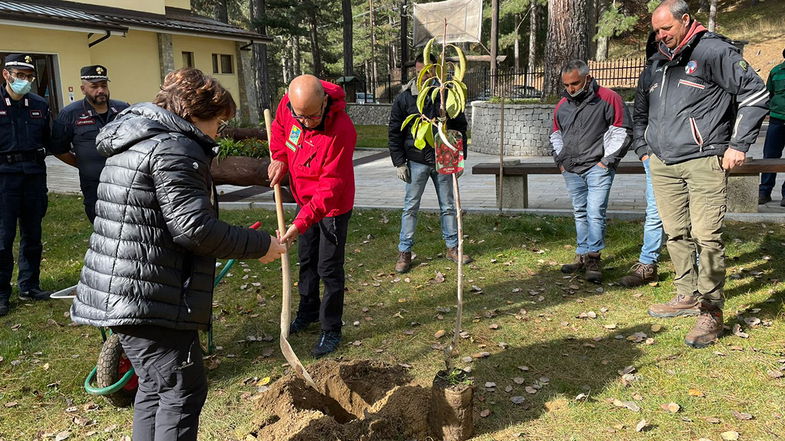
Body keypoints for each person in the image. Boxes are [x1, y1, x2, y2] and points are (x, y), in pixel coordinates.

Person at [70, 68, 286, 441]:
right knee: (181, 392)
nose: (219, 131)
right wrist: (262, 246)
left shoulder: (139, 139)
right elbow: (194, 229)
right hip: (150, 296)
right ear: (195, 113)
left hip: (131, 291)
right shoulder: (173, 146)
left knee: (155, 389)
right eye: (218, 121)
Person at [641, 0, 768, 348]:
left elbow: (756, 93)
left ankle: (711, 310)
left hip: (704, 159)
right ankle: (686, 295)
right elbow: (641, 109)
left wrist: (738, 144)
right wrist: (645, 148)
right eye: (656, 30)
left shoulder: (713, 51)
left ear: (686, 20)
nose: (661, 35)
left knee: (706, 236)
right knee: (675, 233)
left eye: (666, 28)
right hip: (663, 163)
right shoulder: (657, 62)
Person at [268, 74, 356, 357]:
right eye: (300, 117)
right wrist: (280, 158)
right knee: (306, 260)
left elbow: (330, 188)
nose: (305, 122)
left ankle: (331, 328)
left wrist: (302, 221)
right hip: (302, 199)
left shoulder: (341, 131)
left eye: (312, 117)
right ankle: (307, 311)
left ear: (325, 102)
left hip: (331, 207)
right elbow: (280, 130)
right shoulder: (290, 106)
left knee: (328, 267)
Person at [388, 55, 472, 274]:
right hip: (416, 161)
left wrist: (459, 158)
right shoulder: (406, 98)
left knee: (448, 206)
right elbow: (394, 131)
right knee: (410, 207)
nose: (423, 75)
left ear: (437, 71)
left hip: (443, 160)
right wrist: (399, 162)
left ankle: (453, 247)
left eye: (428, 71)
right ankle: (404, 251)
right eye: (419, 71)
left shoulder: (447, 95)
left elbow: (460, 126)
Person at [551, 59, 632, 283]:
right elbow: (555, 135)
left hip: (598, 167)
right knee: (580, 211)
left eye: (575, 83)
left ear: (587, 78)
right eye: (566, 85)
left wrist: (607, 161)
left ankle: (594, 257)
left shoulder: (609, 98)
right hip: (572, 169)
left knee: (595, 212)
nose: (570, 89)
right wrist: (561, 162)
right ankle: (582, 254)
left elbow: (623, 131)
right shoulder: (562, 105)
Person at [0, 54, 54, 316]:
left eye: (29, 76)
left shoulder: (40, 105)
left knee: (32, 235)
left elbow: (46, 139)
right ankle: (1, 294)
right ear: (6, 75)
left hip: (33, 175)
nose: (25, 80)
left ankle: (29, 285)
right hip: (4, 178)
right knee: (3, 238)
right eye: (19, 75)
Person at [50, 65, 129, 222]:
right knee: (100, 223)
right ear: (83, 88)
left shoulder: (123, 109)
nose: (100, 90)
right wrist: (83, 164)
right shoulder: (70, 114)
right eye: (94, 86)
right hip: (94, 184)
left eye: (104, 86)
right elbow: (58, 149)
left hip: (124, 181)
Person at [618, 32, 665, 288]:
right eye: (657, 44)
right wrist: (643, 151)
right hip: (655, 157)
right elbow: (639, 117)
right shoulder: (649, 74)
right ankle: (648, 264)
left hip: (692, 156)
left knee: (694, 216)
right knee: (655, 212)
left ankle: (700, 268)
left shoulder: (698, 66)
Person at [758, 48, 785, 205]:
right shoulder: (776, 72)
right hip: (776, 121)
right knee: (770, 156)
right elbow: (769, 94)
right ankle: (764, 191)